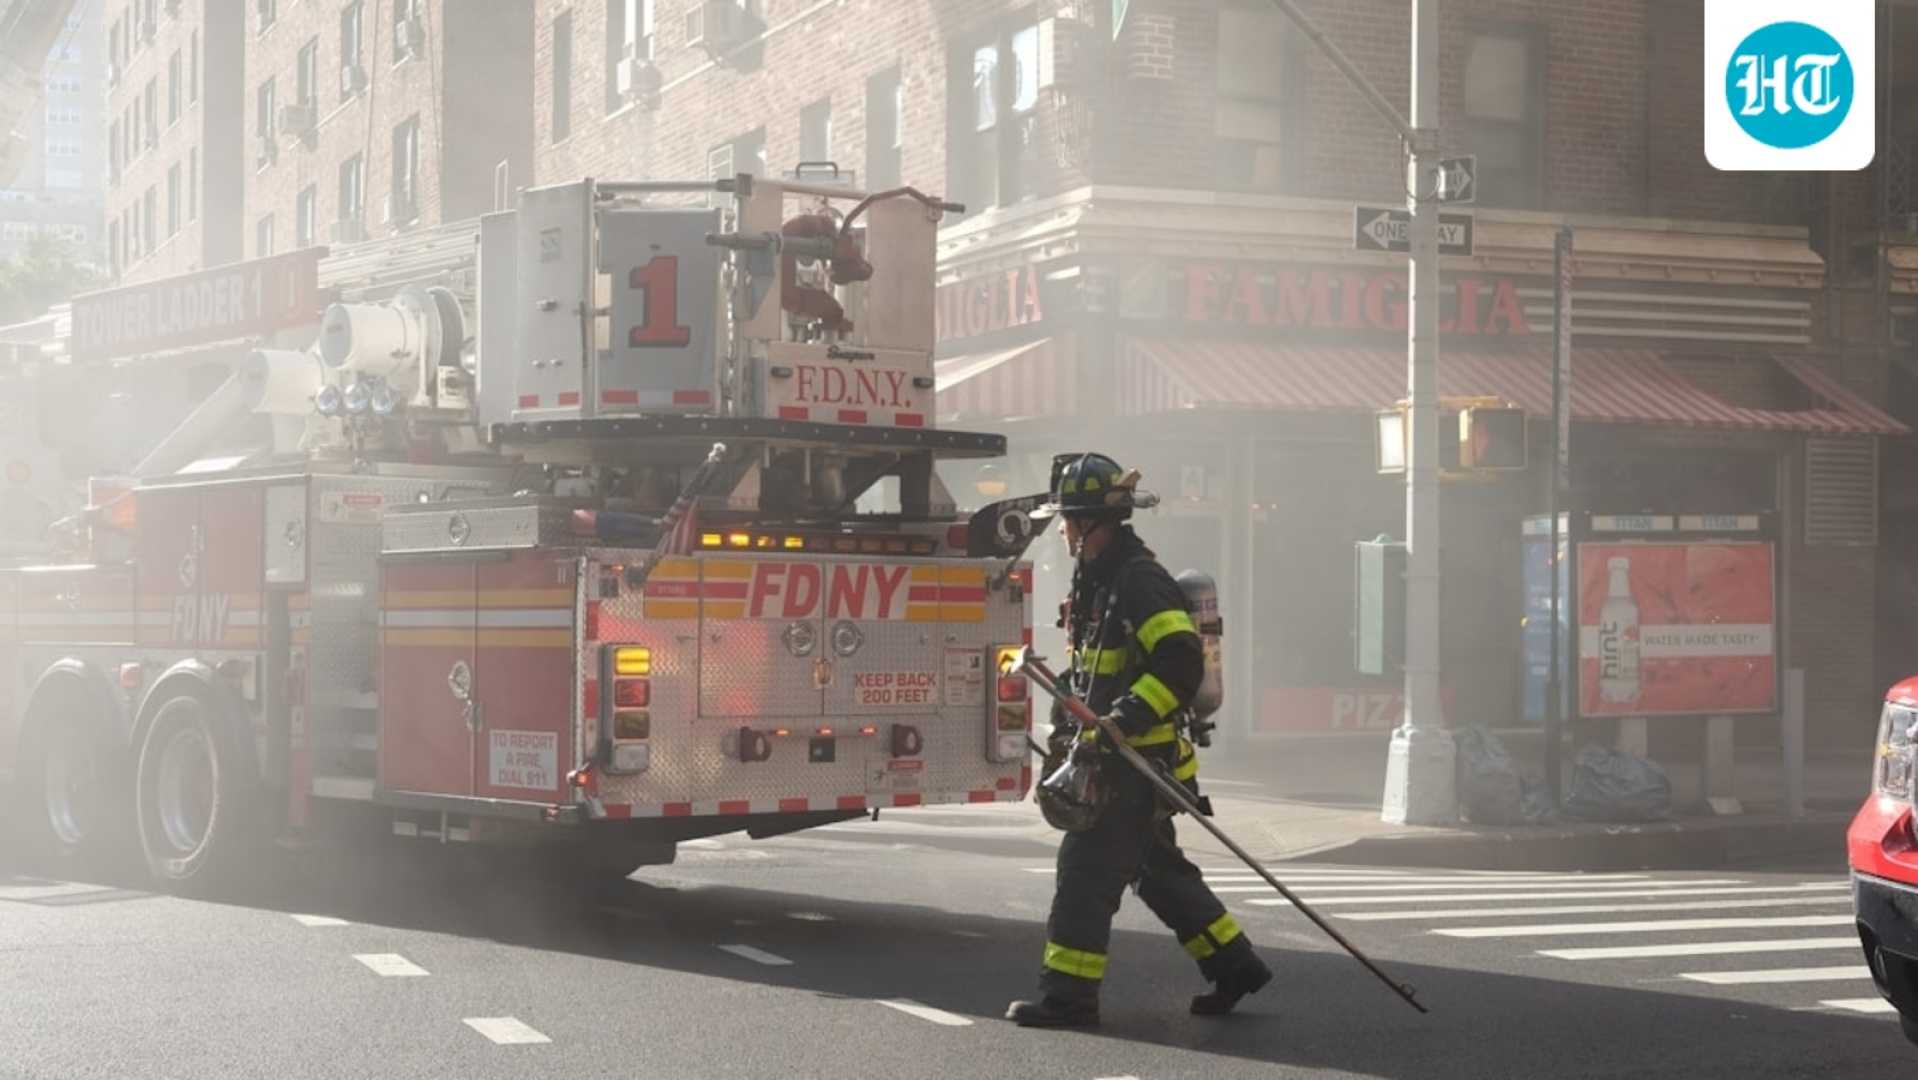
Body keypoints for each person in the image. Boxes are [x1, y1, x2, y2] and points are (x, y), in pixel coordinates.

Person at [1006, 453, 1273, 1029]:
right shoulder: (1098, 580)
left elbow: (1179, 662)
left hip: (1134, 763)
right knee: (1158, 872)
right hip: (1116, 758)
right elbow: (1096, 669)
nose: (1063, 533)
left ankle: (1068, 999)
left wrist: (1122, 720)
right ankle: (1236, 966)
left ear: (1090, 524)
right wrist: (1067, 719)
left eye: (1068, 521)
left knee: (1084, 874)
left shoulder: (1138, 581)